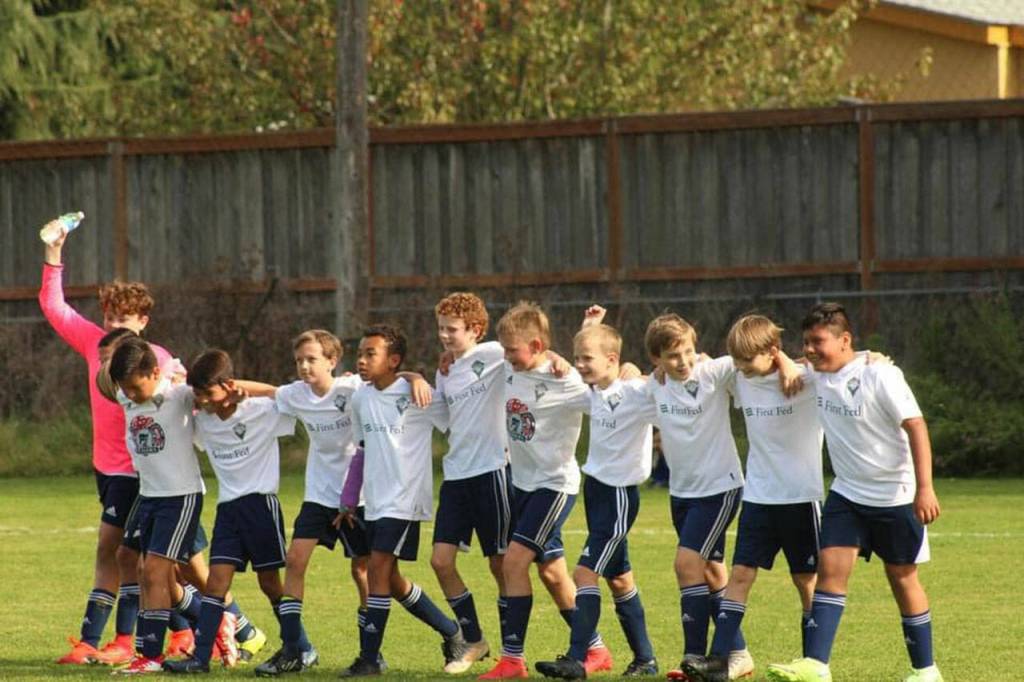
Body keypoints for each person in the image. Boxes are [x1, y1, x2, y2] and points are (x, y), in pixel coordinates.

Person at [766, 303, 943, 682]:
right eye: (806, 343)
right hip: (847, 496)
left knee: (902, 578)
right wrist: (782, 358)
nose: (810, 350)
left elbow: (916, 426)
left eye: (818, 342)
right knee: (829, 571)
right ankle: (816, 666)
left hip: (895, 497)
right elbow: (763, 363)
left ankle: (925, 671)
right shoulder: (818, 371)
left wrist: (925, 489)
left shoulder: (881, 375)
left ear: (845, 340)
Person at [39, 227, 173, 666]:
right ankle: (204, 628)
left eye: (127, 318)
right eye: (112, 315)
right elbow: (53, 306)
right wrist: (54, 253)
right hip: (107, 467)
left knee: (121, 551)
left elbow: (183, 392)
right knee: (154, 558)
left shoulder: (159, 358)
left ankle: (104, 640)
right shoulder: (94, 344)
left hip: (144, 471)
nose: (117, 324)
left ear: (144, 323)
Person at [682, 314, 823, 682]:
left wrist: (790, 362)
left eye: (747, 360)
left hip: (801, 497)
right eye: (737, 361)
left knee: (805, 581)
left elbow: (858, 359)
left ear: (772, 350)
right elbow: (696, 364)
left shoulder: (806, 379)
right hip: (758, 497)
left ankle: (813, 662)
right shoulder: (738, 377)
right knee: (741, 574)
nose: (741, 368)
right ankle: (719, 660)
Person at [479, 302, 612, 680]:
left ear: (536, 346)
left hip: (554, 486)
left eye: (512, 350)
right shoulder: (509, 367)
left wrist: (624, 366)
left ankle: (512, 660)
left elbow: (605, 389)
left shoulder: (566, 381)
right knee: (553, 575)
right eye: (503, 349)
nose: (506, 357)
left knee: (514, 562)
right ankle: (597, 649)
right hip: (522, 484)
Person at [535, 305, 658, 679]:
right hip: (597, 492)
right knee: (620, 578)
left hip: (621, 496)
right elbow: (572, 370)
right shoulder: (595, 393)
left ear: (612, 359)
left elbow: (663, 386)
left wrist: (638, 370)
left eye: (587, 359)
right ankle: (645, 660)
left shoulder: (636, 391)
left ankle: (576, 658)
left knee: (585, 573)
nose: (580, 365)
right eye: (578, 359)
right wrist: (589, 328)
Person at [336, 325, 466, 677]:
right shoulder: (361, 397)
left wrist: (419, 377)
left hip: (406, 499)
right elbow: (362, 450)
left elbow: (458, 418)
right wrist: (349, 499)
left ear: (393, 360)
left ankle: (369, 659)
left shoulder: (417, 394)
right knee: (390, 579)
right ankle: (453, 632)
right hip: (374, 501)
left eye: (370, 354)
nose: (361, 360)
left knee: (376, 569)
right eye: (360, 353)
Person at [163, 350, 296, 674]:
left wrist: (245, 388)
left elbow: (285, 394)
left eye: (209, 393)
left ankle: (298, 645)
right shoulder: (203, 421)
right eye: (198, 395)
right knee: (216, 583)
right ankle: (200, 658)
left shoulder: (261, 410)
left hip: (260, 505)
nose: (203, 401)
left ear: (228, 385)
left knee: (269, 583)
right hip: (228, 510)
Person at [642, 313, 752, 680]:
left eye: (688, 351)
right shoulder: (654, 386)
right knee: (710, 570)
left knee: (686, 565)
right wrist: (627, 368)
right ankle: (738, 654)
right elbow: (619, 381)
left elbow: (755, 354)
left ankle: (693, 658)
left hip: (720, 487)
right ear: (656, 359)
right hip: (683, 493)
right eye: (672, 356)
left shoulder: (713, 372)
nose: (683, 361)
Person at [106, 336, 224, 675]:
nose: (128, 394)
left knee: (155, 572)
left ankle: (151, 656)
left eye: (134, 386)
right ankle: (222, 623)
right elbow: (108, 381)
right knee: (141, 566)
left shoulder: (179, 395)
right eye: (123, 388)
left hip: (180, 496)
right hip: (149, 495)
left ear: (155, 372)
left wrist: (242, 392)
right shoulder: (124, 395)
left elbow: (215, 388)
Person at [429, 293, 511, 673]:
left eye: (452, 329)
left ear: (476, 330)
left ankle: (513, 651)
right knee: (440, 561)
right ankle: (474, 639)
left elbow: (531, 353)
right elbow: (446, 420)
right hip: (457, 476)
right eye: (441, 328)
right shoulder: (444, 371)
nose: (445, 336)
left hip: (493, 471)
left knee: (501, 564)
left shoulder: (495, 352)